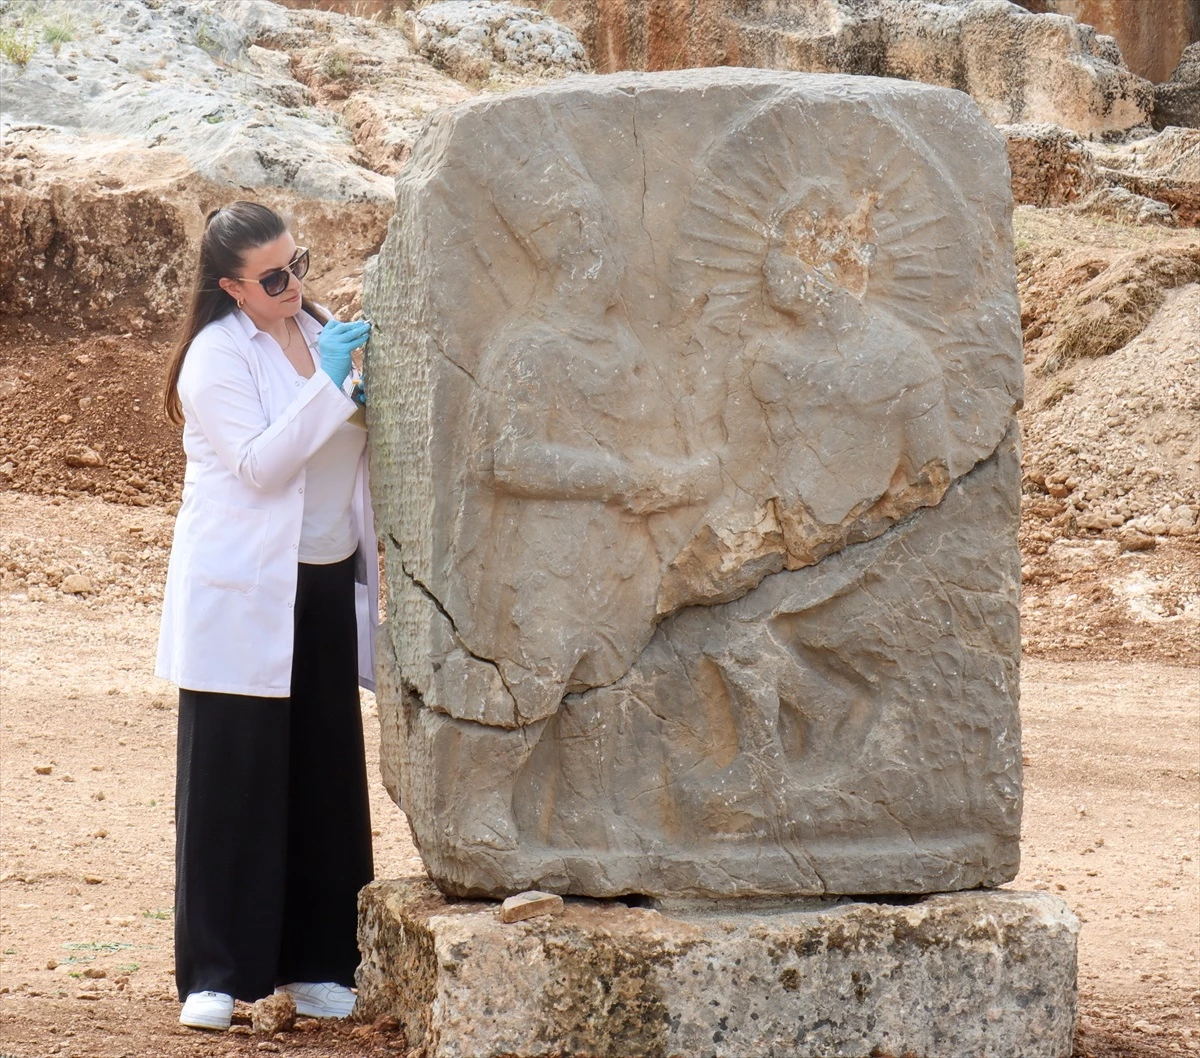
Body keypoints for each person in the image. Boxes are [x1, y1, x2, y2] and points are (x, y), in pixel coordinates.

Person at [156, 202, 378, 1031]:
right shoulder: (215, 360)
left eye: (301, 263)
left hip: (323, 581)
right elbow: (258, 464)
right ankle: (215, 972)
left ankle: (323, 964)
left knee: (323, 775)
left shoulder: (324, 327)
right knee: (233, 779)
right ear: (231, 287)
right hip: (247, 590)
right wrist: (328, 384)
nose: (296, 285)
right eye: (275, 278)